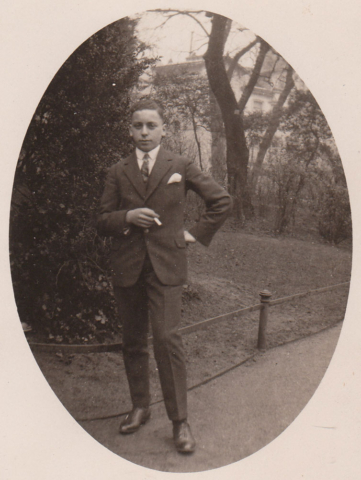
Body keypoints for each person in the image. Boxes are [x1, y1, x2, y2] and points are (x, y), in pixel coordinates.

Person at [97, 98, 232, 454]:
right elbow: (101, 220)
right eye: (138, 126)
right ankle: (140, 407)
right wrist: (127, 217)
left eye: (151, 126)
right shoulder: (117, 170)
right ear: (130, 130)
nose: (144, 132)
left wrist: (192, 234)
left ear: (163, 129)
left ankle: (180, 422)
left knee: (167, 340)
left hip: (167, 267)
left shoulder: (181, 164)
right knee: (133, 342)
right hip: (128, 268)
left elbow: (221, 201)